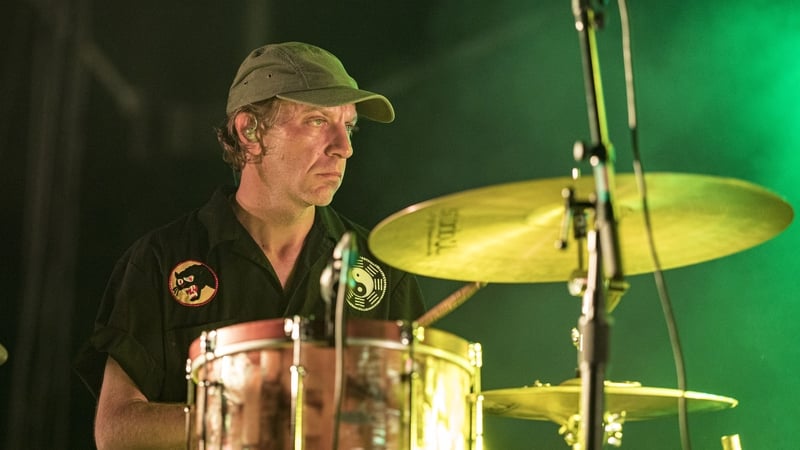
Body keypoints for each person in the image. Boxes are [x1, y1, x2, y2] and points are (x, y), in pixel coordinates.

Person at [74, 41, 426, 449]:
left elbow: (421, 418)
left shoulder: (384, 268)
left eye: (348, 126)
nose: (343, 147)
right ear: (250, 132)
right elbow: (116, 430)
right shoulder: (160, 259)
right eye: (317, 121)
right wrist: (249, 416)